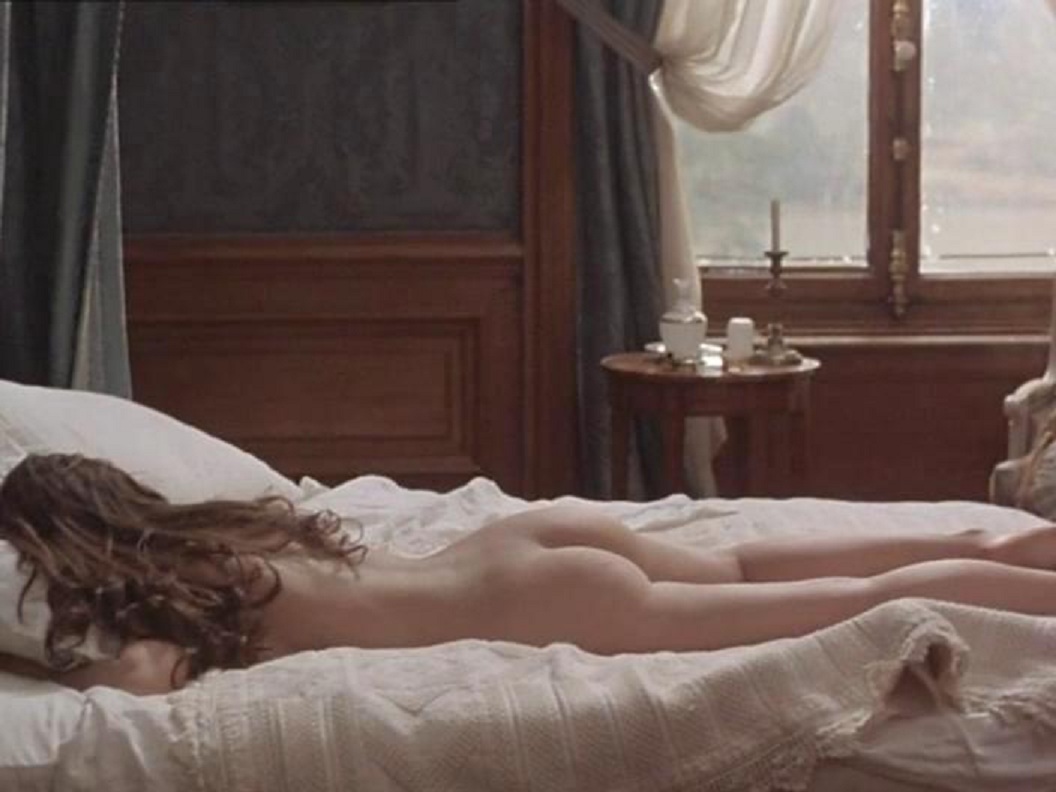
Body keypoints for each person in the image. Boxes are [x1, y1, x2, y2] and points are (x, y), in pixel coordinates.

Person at [4, 452, 1056, 696]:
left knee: (860, 607)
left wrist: (70, 649)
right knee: (742, 559)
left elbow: (137, 683)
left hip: (528, 596)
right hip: (521, 541)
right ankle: (1015, 549)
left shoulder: (181, 595)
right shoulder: (227, 530)